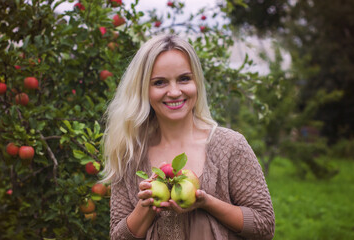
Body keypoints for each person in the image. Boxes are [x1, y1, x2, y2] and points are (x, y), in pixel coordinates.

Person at [101, 34, 275, 240]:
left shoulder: (230, 146)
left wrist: (206, 202)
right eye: (159, 82)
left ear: (196, 82)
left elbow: (264, 225)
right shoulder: (130, 154)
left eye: (184, 78)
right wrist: (145, 206)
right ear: (143, 90)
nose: (174, 92)